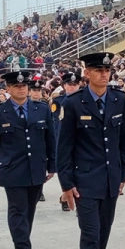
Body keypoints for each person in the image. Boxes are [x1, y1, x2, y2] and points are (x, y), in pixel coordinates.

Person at [58, 52, 125, 249]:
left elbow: (124, 141)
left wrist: (124, 174)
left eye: (106, 69)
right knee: (90, 235)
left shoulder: (119, 100)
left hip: (111, 179)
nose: (103, 73)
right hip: (84, 180)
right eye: (97, 70)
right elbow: (64, 147)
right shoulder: (74, 103)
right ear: (86, 73)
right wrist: (66, 184)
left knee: (104, 232)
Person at [0, 71, 57, 249]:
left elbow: (50, 140)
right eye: (16, 86)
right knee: (17, 208)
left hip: (36, 168)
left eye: (24, 86)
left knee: (29, 209)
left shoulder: (41, 109)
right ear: (9, 89)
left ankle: (22, 239)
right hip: (12, 169)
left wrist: (52, 165)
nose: (21, 88)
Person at [51, 70, 82, 211]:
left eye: (75, 84)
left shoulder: (84, 101)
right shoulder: (58, 102)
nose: (72, 87)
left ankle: (66, 196)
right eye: (69, 84)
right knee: (66, 171)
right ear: (64, 86)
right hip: (63, 141)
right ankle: (66, 195)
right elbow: (57, 123)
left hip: (81, 142)